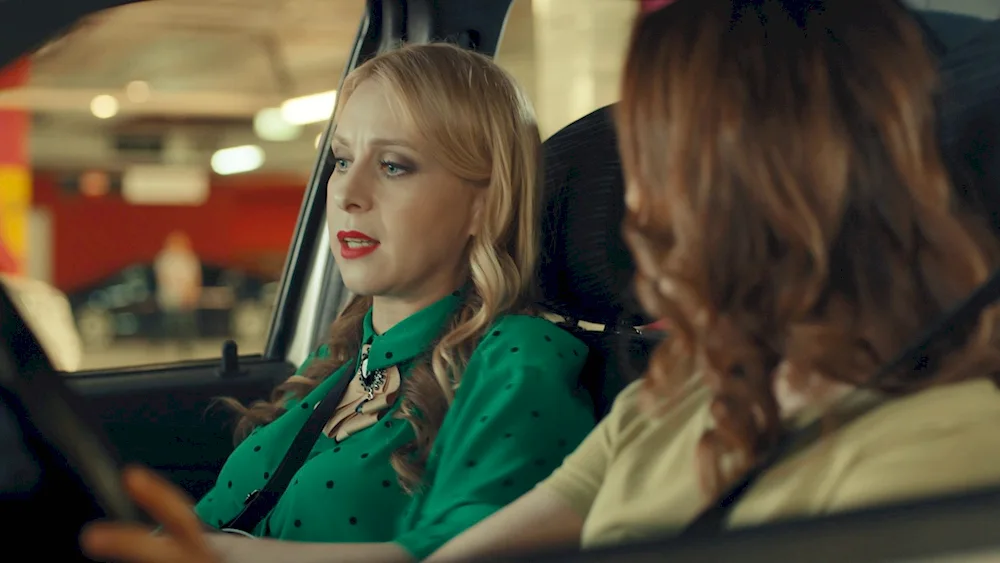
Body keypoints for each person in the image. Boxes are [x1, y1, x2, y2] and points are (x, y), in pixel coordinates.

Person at [82, 0, 1000, 561]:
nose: (629, 198)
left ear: (780, 189)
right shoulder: (674, 403)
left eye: (660, 157)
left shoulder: (947, 450)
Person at [81, 43, 595, 563]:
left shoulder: (517, 357)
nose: (348, 190)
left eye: (393, 166)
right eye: (343, 159)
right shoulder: (344, 358)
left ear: (485, 204)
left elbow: (464, 552)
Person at [153, 231, 202, 349]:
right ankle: (167, 342)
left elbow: (195, 278)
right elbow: (163, 278)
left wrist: (190, 292)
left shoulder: (189, 259)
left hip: (187, 295)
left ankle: (186, 343)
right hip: (170, 295)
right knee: (170, 320)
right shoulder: (164, 259)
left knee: (186, 321)